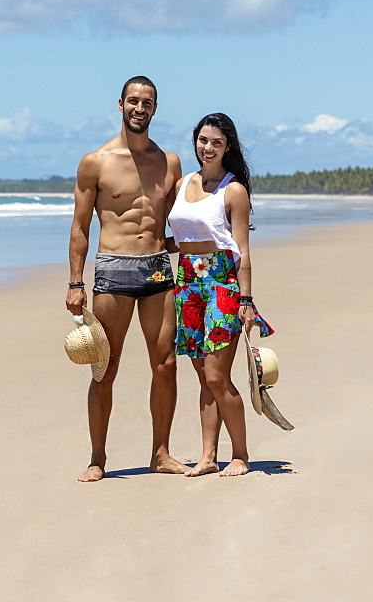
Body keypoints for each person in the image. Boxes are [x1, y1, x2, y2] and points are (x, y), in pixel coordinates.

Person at [66, 76, 189, 482]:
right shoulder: (95, 162)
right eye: (133, 101)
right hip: (114, 270)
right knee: (105, 367)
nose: (140, 108)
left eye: (147, 102)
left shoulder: (170, 162)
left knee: (166, 365)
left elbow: (176, 222)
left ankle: (161, 453)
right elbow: (81, 227)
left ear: (155, 108)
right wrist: (74, 282)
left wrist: (215, 238)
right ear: (120, 104)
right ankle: (97, 458)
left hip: (156, 268)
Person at [168, 113, 274, 476]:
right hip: (186, 283)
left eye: (216, 142)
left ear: (228, 146)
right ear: (195, 141)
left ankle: (240, 454)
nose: (208, 147)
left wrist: (246, 300)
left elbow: (242, 248)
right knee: (202, 376)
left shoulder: (234, 190)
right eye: (202, 140)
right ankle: (208, 456)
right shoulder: (182, 184)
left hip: (221, 285)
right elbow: (179, 235)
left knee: (216, 376)